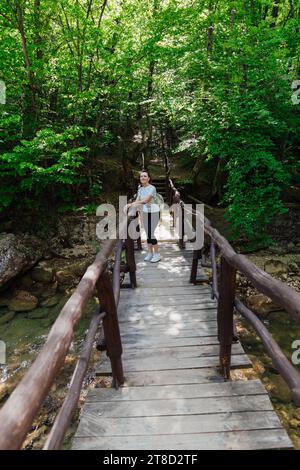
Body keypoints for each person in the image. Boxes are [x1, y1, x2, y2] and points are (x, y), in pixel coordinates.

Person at [126, 170, 161, 262]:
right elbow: (137, 201)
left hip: (154, 212)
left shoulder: (152, 188)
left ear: (149, 178)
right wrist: (132, 208)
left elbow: (145, 201)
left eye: (145, 176)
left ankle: (157, 254)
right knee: (147, 233)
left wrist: (130, 204)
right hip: (145, 212)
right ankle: (150, 253)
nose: (143, 178)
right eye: (141, 176)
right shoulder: (140, 189)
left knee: (150, 233)